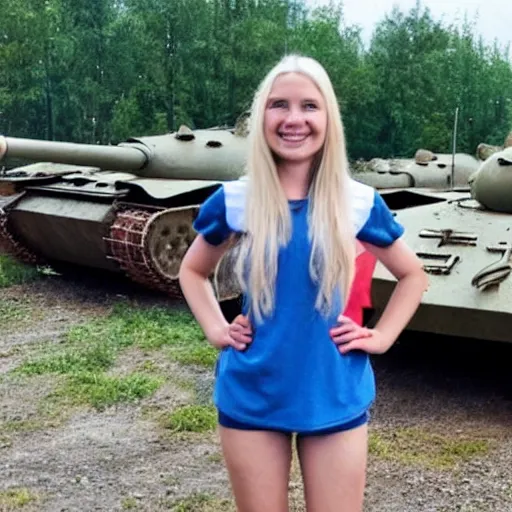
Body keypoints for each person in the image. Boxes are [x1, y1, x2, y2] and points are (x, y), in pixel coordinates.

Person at [179, 54, 428, 512]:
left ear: (328, 117)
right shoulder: (236, 200)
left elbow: (413, 275)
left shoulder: (358, 202)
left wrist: (381, 337)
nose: (294, 119)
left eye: (309, 106)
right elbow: (193, 271)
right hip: (253, 393)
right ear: (262, 117)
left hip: (332, 390)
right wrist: (217, 329)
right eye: (279, 105)